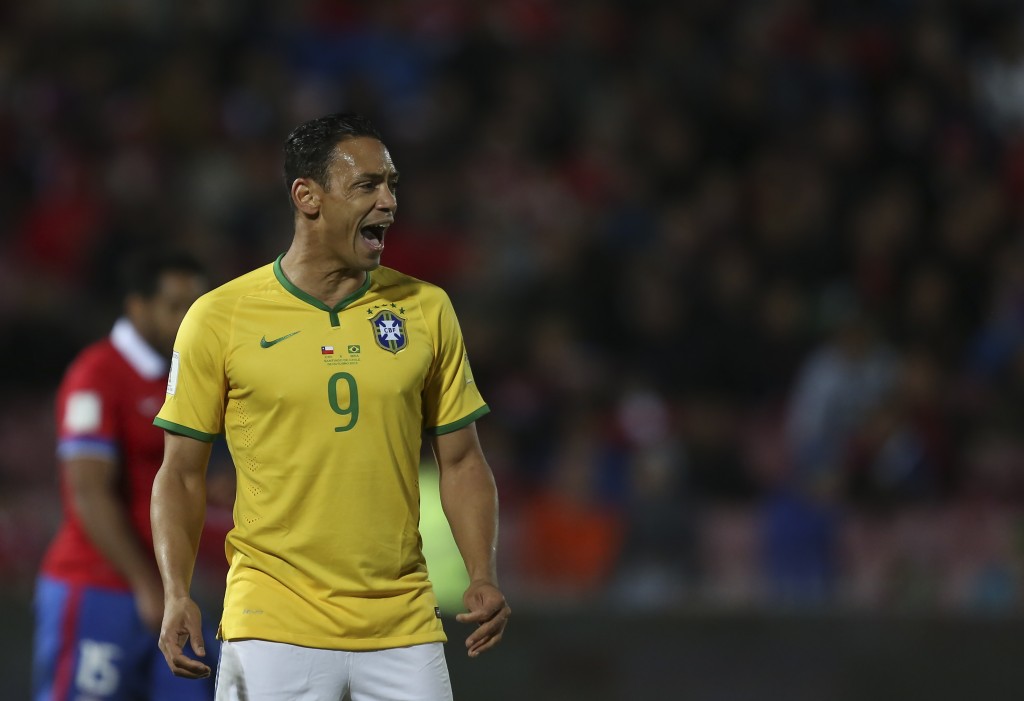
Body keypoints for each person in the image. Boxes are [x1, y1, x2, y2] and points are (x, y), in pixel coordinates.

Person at [151, 112, 510, 700]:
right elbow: (181, 474)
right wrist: (176, 593)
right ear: (307, 197)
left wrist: (482, 573)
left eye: (391, 184)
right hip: (272, 622)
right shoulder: (220, 317)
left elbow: (463, 460)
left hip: (403, 622)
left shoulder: (427, 309)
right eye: (367, 185)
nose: (388, 202)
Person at [33, 250, 213, 701]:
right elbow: (89, 493)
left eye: (195, 307)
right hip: (100, 585)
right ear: (138, 307)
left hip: (170, 592)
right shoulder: (97, 374)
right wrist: (145, 584)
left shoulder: (187, 375)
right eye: (175, 307)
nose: (187, 320)